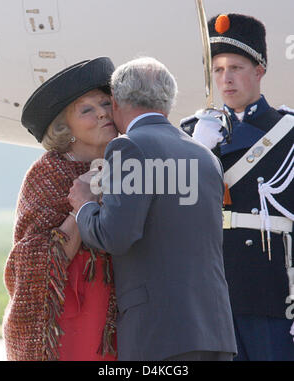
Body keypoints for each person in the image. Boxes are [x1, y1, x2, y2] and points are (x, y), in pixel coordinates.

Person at [68, 56, 237, 361]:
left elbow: (115, 236)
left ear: (118, 101)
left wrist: (84, 205)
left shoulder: (129, 146)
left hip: (158, 334)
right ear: (168, 102)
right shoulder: (205, 157)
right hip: (215, 331)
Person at [181, 14, 294, 360]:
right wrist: (196, 152)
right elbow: (177, 212)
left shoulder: (287, 133)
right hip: (212, 296)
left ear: (259, 70)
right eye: (218, 70)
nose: (226, 79)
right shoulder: (193, 134)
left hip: (271, 295)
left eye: (236, 67)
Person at [3, 57, 118, 361]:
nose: (103, 113)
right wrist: (84, 205)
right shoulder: (47, 175)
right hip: (67, 318)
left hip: (122, 315)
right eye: (87, 110)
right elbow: (34, 260)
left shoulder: (130, 165)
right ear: (64, 127)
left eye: (106, 102)